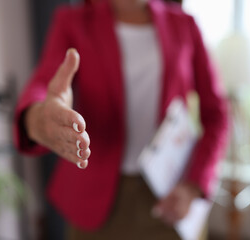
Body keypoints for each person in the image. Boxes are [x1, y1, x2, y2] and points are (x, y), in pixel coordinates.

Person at [13, 0, 229, 239]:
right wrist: (37, 119)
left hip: (170, 196)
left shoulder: (185, 25)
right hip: (95, 200)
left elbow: (217, 113)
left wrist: (195, 184)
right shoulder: (73, 21)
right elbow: (44, 83)